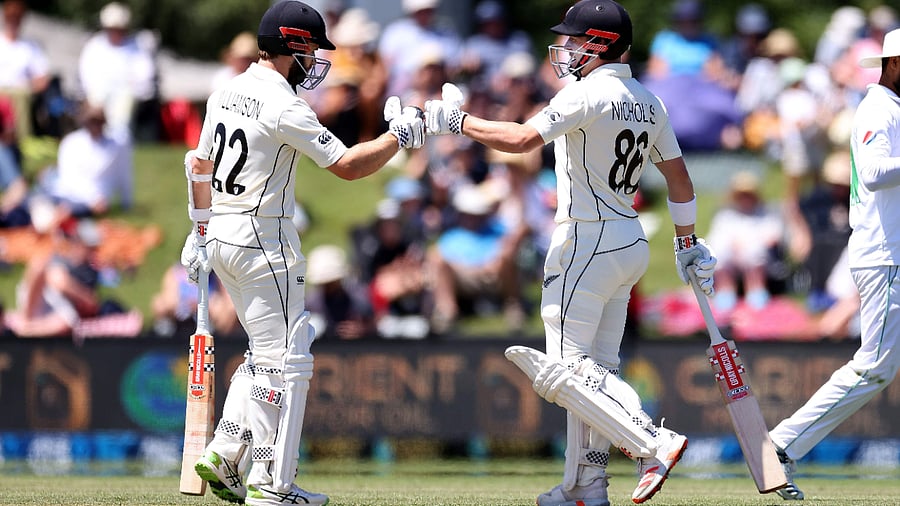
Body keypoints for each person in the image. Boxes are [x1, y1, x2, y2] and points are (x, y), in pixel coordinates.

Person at [422, 1, 716, 504]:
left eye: (576, 40)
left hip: (586, 239)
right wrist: (686, 241)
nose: (567, 49)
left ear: (599, 44)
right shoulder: (650, 100)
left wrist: (456, 121)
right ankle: (585, 486)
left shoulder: (587, 93)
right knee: (596, 373)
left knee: (565, 371)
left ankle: (651, 441)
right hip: (629, 241)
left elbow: (518, 140)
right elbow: (680, 181)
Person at [178, 2, 425, 505]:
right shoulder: (284, 105)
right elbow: (350, 166)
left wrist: (199, 230)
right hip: (263, 240)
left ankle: (227, 453)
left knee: (264, 354)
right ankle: (273, 484)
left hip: (222, 235)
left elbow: (198, 163)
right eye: (310, 50)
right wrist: (398, 136)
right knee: (288, 359)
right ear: (292, 46)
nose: (314, 62)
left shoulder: (226, 89)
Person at [768, 27, 900, 500]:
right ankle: (779, 446)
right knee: (874, 368)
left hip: (893, 253)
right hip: (885, 258)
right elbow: (873, 171)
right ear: (895, 64)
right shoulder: (876, 109)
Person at [77, 2, 160, 140]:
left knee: (121, 117)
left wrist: (131, 89)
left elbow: (145, 77)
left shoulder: (137, 47)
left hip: (125, 93)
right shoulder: (95, 46)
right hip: (98, 93)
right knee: (95, 103)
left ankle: (119, 142)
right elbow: (86, 75)